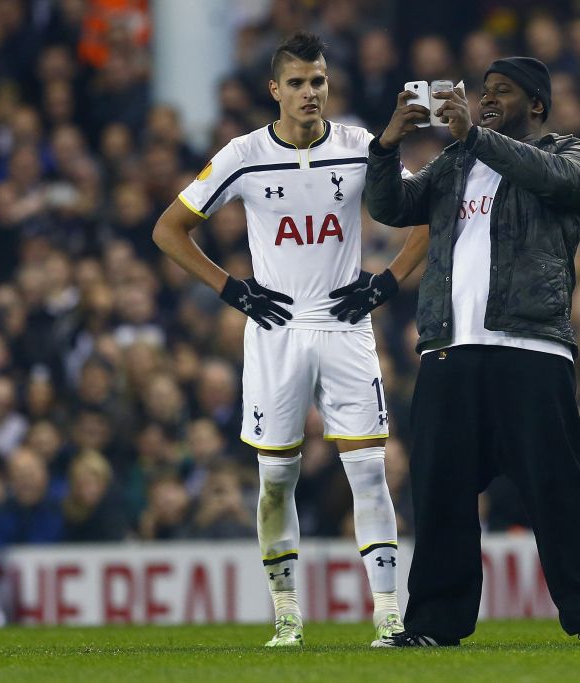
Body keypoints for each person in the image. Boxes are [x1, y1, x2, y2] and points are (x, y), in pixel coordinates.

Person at [153, 32, 426, 647]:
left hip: (344, 326)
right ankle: (285, 615)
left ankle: (387, 613)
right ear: (275, 89)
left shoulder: (361, 146)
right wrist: (233, 291)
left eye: (319, 82)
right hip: (274, 330)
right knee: (277, 477)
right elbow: (168, 230)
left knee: (369, 471)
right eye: (298, 83)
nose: (310, 93)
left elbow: (429, 215)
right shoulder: (244, 153)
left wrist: (385, 284)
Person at [357, 56, 580, 646]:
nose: (489, 98)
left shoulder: (569, 154)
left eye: (504, 91)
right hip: (450, 351)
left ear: (537, 105)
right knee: (441, 494)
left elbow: (568, 185)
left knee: (557, 492)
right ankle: (434, 625)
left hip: (530, 348)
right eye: (484, 91)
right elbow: (392, 208)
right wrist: (387, 145)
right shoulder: (454, 162)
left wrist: (474, 137)